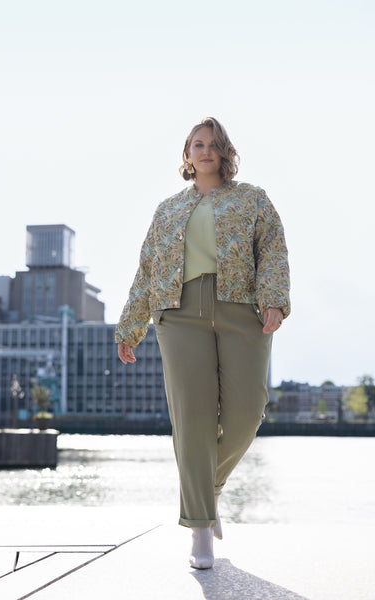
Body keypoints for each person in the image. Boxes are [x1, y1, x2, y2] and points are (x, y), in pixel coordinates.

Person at [116, 117, 290, 569]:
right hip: (178, 314)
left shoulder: (252, 198)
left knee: (248, 412)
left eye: (213, 144)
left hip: (241, 309)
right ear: (187, 154)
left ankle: (208, 488)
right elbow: (147, 269)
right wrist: (130, 327)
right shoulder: (167, 209)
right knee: (192, 420)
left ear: (225, 152)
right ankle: (199, 531)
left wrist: (274, 300)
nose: (205, 150)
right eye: (197, 144)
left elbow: (273, 250)